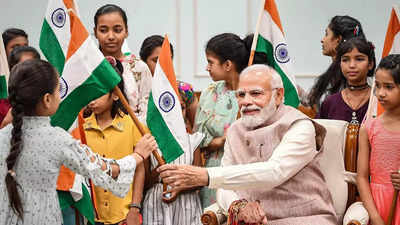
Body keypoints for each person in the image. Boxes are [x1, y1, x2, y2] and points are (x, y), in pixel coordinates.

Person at [159, 65, 337, 225]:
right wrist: (238, 205)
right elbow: (223, 188)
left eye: (256, 93)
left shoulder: (300, 126)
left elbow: (275, 171)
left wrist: (206, 175)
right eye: (241, 94)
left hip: (304, 218)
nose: (246, 101)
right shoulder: (236, 130)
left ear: (279, 95)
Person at [0, 59, 158, 225]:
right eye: (58, 90)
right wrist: (138, 155)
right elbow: (105, 170)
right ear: (47, 99)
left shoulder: (3, 137)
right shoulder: (57, 140)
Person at [84, 56, 144, 225]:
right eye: (90, 92)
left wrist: (135, 208)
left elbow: (139, 170)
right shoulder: (82, 128)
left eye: (99, 93)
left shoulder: (131, 125)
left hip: (123, 214)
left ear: (116, 95)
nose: (93, 99)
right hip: (92, 214)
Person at [194, 33, 249, 208]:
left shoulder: (252, 95)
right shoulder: (210, 93)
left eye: (210, 62)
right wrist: (221, 142)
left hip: (245, 173)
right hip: (214, 173)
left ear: (227, 65)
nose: (207, 68)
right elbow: (198, 140)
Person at [142, 80, 203, 225]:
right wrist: (162, 164)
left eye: (181, 108)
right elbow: (144, 182)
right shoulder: (150, 142)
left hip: (186, 203)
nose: (176, 113)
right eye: (171, 107)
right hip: (157, 202)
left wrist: (180, 188)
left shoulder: (193, 141)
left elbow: (200, 180)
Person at [357, 54, 400, 225]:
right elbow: (361, 177)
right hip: (376, 204)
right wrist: (374, 217)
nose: (381, 93)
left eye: (389, 87)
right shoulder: (369, 127)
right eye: (378, 86)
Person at [94, 4, 152, 123]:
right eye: (103, 30)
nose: (111, 36)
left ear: (126, 31)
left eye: (117, 30)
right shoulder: (87, 66)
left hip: (134, 135)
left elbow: (147, 112)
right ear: (95, 32)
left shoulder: (139, 68)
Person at [139, 35, 198, 127]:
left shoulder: (184, 89)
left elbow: (196, 127)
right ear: (144, 62)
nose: (163, 65)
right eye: (156, 61)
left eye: (168, 60)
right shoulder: (138, 90)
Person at [308, 15, 366, 109]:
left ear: (338, 40)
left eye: (326, 34)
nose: (322, 40)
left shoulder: (350, 75)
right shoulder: (333, 73)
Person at [317, 37, 376, 123]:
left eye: (359, 59)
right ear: (340, 64)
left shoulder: (378, 100)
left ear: (370, 64)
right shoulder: (330, 102)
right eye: (345, 60)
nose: (352, 65)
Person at [0, 46, 41, 129]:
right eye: (24, 68)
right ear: (12, 70)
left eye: (34, 67)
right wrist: (4, 126)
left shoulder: (47, 99)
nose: (30, 73)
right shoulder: (3, 104)